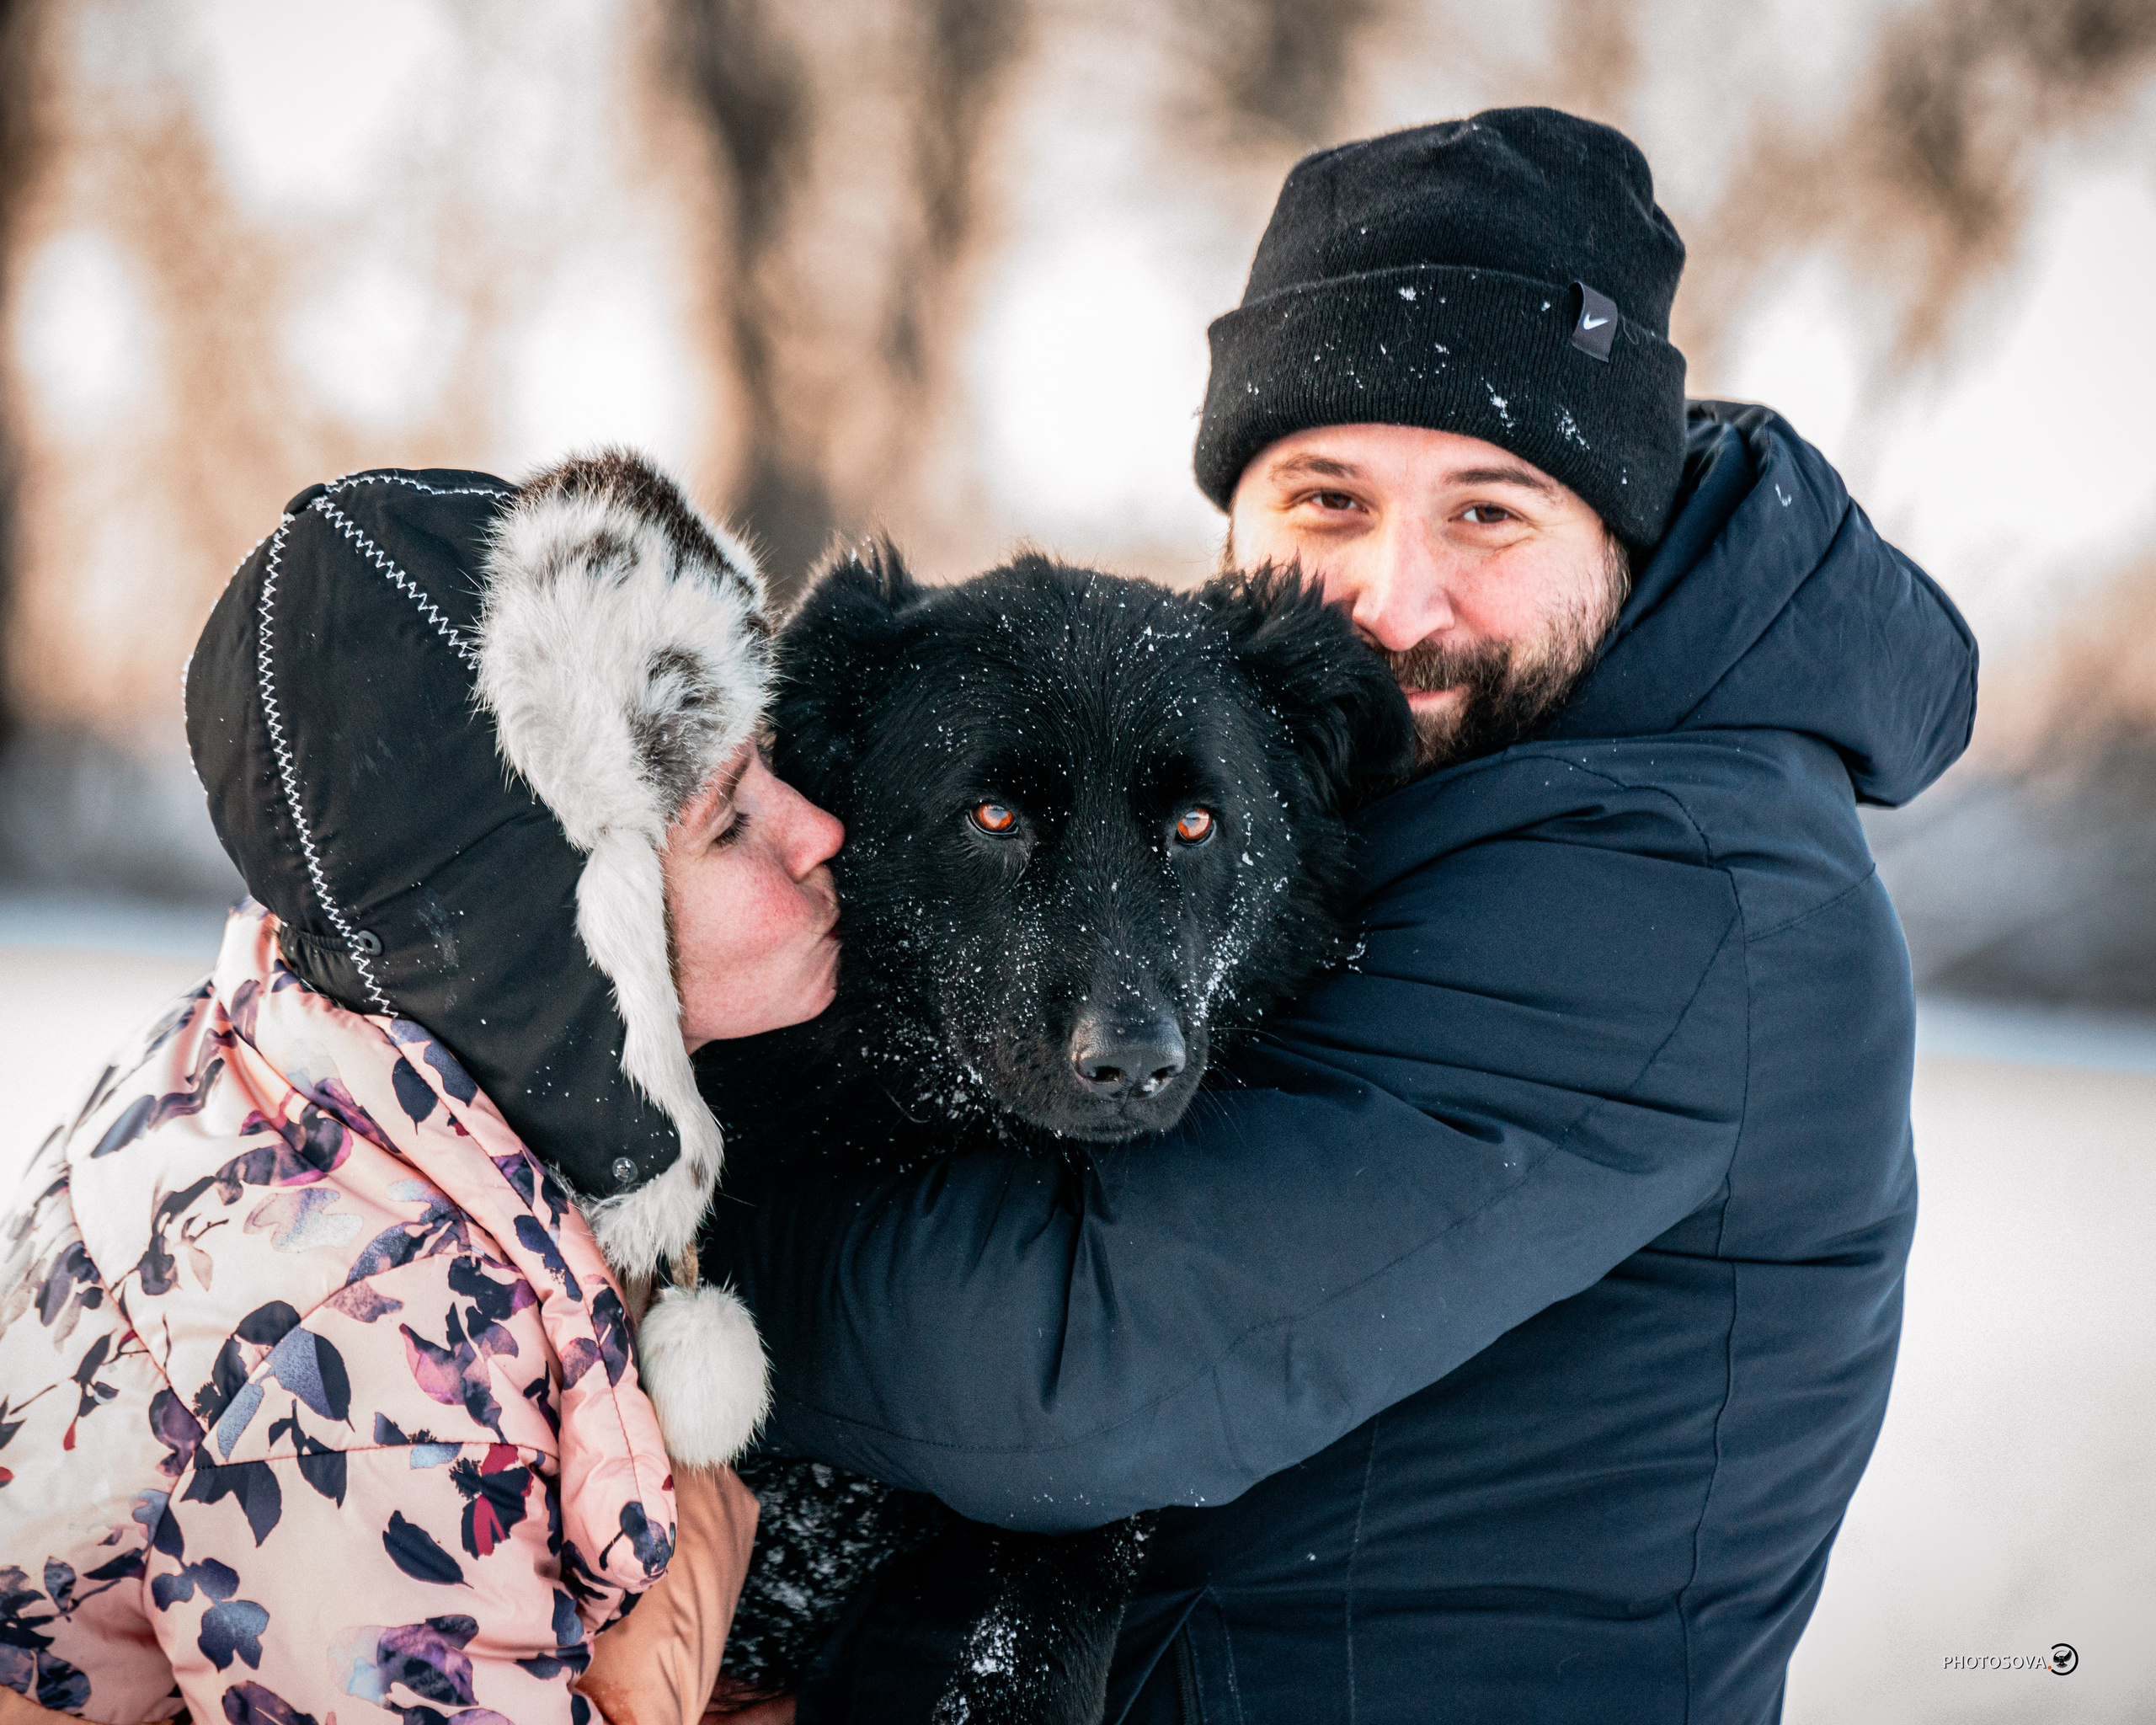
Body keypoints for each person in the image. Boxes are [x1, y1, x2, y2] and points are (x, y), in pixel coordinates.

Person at [701, 109, 1979, 1721]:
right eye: (1326, 500)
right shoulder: (1401, 800)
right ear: (1236, 528)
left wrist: (654, 1258)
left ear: (1622, 533)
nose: (1394, 600)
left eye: (1490, 512)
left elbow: (1073, 1369)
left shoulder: (1675, 884)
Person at [0, 452, 844, 1725]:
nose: (817, 828)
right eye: (727, 819)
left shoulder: (370, 1063)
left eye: (764, 758)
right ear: (550, 944)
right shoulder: (354, 1367)